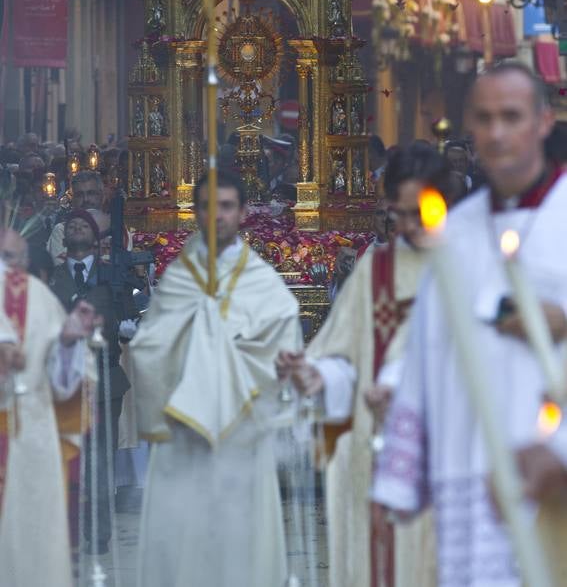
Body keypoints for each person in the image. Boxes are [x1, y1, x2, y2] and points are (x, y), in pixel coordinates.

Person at [373, 62, 567, 587]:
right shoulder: (455, 233)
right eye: (484, 118)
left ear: (544, 121)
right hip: (471, 468)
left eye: (512, 116)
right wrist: (399, 463)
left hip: (553, 474)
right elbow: (427, 349)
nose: (498, 132)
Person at [277, 143, 451, 587]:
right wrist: (315, 375)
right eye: (399, 214)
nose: (409, 226)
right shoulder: (377, 270)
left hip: (449, 447)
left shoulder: (469, 266)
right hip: (375, 443)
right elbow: (342, 355)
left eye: (419, 212)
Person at [131, 169, 302, 587]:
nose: (216, 216)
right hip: (184, 433)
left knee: (238, 549)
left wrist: (218, 347)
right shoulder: (180, 279)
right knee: (183, 546)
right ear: (195, 211)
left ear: (243, 212)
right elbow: (147, 348)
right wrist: (199, 347)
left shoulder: (262, 282)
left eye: (226, 206)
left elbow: (283, 340)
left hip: (239, 435)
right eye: (207, 206)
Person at [0, 237, 97, 586]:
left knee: (34, 545)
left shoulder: (39, 298)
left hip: (32, 438)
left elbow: (63, 385)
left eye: (14, 259)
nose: (9, 268)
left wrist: (69, 344)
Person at [50, 209, 136, 554]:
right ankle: (66, 529)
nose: (76, 229)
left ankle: (98, 533)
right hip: (64, 380)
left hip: (104, 379)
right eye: (71, 225)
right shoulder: (53, 279)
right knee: (67, 457)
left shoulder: (111, 277)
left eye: (83, 225)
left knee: (101, 458)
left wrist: (129, 329)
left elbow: (128, 315)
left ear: (95, 237)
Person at [47, 170, 104, 264]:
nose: (86, 199)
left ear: (102, 196)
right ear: (73, 200)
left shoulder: (115, 230)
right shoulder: (61, 231)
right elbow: (64, 268)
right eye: (79, 195)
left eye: (91, 193)